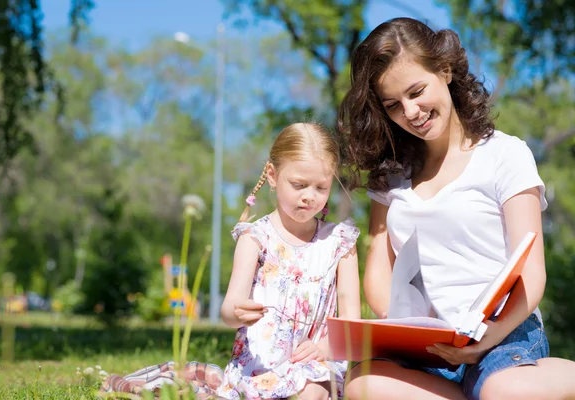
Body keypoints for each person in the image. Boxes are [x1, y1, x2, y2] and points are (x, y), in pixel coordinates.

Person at [337, 17, 575, 400]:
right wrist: (405, 327)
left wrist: (483, 342)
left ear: (445, 70)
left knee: (503, 390)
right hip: (425, 344)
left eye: (417, 92)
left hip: (502, 336)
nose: (411, 112)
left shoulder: (504, 154)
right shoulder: (392, 176)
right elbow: (379, 272)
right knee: (364, 384)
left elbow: (531, 275)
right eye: (393, 105)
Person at [216, 122, 361, 399]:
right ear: (272, 175)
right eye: (298, 185)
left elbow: (352, 321)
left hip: (315, 364)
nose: (309, 196)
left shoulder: (340, 243)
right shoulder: (255, 238)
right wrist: (237, 313)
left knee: (312, 392)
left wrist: (327, 347)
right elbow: (228, 310)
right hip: (258, 368)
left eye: (321, 187)